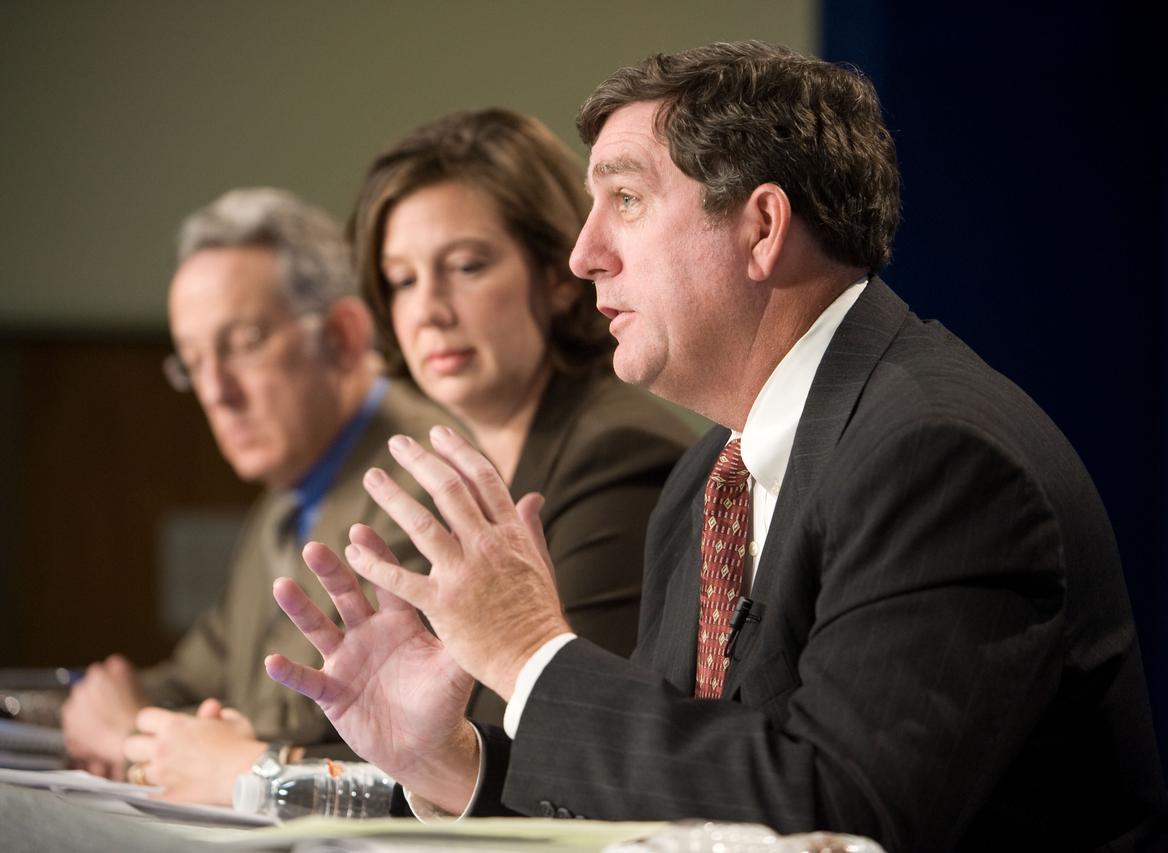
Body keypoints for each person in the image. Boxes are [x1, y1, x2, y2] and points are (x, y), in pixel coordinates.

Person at [264, 42, 1168, 851]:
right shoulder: (711, 473)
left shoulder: (938, 455)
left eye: (625, 199)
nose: (584, 255)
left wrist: (529, 655)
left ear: (763, 229)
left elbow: (837, 813)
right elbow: (682, 802)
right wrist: (452, 765)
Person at [60, 187, 456, 803]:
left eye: (242, 345)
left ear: (345, 336)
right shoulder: (289, 494)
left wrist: (133, 736)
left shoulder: (418, 478)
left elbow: (334, 731)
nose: (215, 391)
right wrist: (92, 702)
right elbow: (200, 676)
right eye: (193, 362)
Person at [349, 107, 698, 722]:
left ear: (557, 276)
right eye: (401, 280)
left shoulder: (617, 452)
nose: (428, 310)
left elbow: (562, 736)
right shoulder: (433, 475)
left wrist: (274, 768)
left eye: (465, 268)